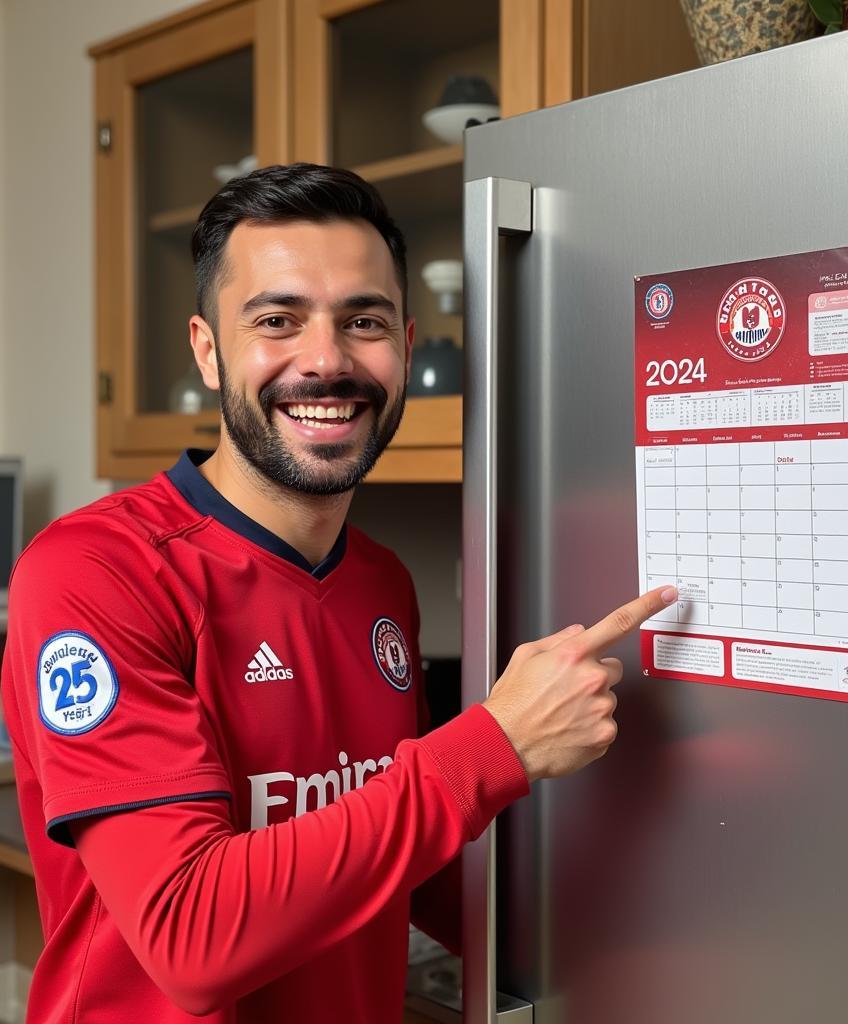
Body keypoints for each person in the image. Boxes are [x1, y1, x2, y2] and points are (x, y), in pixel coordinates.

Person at [0, 163, 677, 1023]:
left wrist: (628, 956)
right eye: (278, 320)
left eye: (363, 321)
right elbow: (189, 936)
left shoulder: (381, 581)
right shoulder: (98, 571)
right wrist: (493, 745)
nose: (326, 361)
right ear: (208, 349)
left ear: (405, 344)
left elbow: (405, 855)